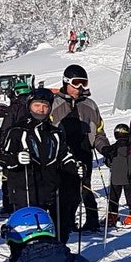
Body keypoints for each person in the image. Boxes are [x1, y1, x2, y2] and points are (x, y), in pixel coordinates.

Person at [0, 88, 78, 241]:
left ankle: (57, 256)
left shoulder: (55, 133)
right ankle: (22, 259)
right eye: (37, 105)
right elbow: (1, 157)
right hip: (25, 190)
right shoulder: (17, 130)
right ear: (29, 106)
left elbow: (63, 155)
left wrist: (73, 165)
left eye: (45, 106)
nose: (41, 109)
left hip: (51, 189)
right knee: (28, 230)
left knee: (59, 228)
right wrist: (16, 159)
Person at [51, 64, 107, 233]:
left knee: (85, 187)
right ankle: (65, 222)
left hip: (84, 150)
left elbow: (98, 131)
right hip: (62, 153)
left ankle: (92, 220)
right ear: (66, 82)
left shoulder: (90, 105)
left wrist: (105, 149)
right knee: (63, 189)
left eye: (84, 83)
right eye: (77, 83)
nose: (81, 88)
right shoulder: (54, 104)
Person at [102, 123, 131, 227]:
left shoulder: (113, 148)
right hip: (129, 176)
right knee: (130, 196)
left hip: (116, 177)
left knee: (114, 196)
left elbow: (108, 161)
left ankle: (112, 215)